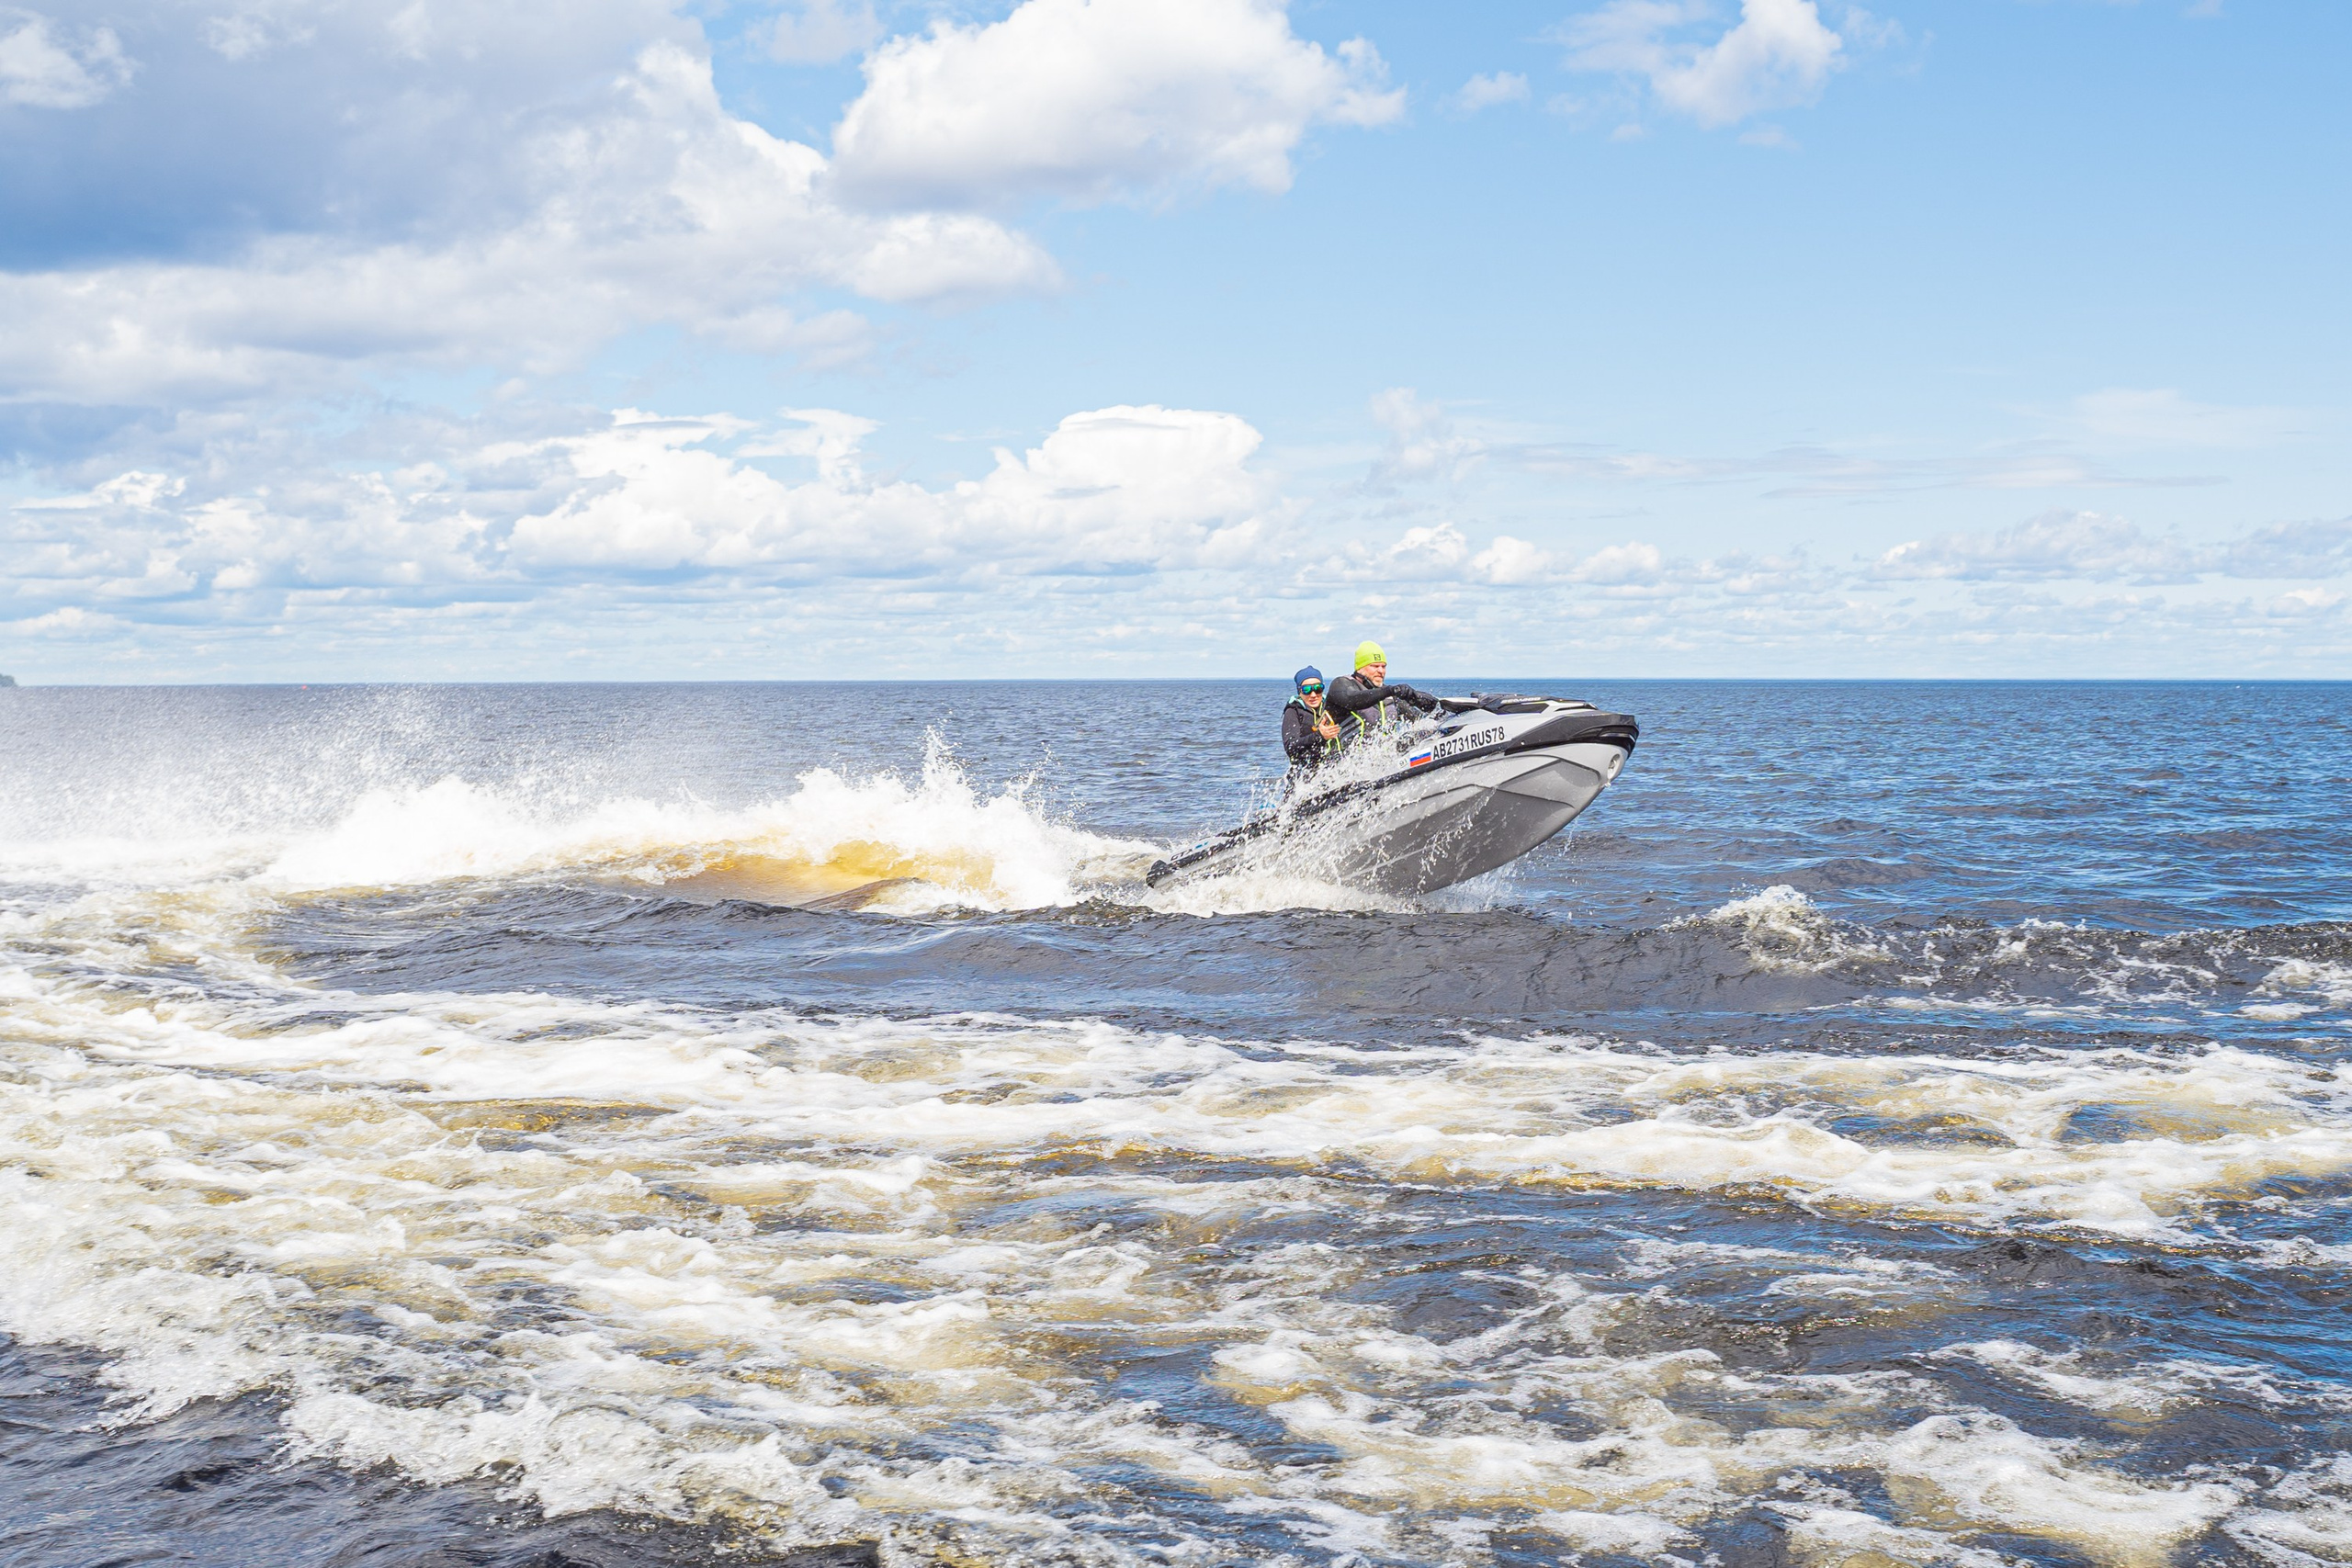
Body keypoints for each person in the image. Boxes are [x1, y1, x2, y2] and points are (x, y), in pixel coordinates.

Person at [1325, 640, 1438, 745]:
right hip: (1341, 763)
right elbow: (1352, 700)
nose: (1381, 671)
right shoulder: (1340, 684)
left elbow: (1418, 719)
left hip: (1381, 763)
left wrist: (1415, 698)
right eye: (1375, 666)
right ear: (1360, 668)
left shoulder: (1389, 697)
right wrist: (1391, 690)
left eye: (1383, 666)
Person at [1281, 666, 1341, 773]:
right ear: (1299, 692)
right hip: (1305, 773)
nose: (1313, 695)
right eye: (1307, 690)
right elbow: (1290, 747)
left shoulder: (1331, 707)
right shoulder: (1293, 712)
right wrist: (1319, 736)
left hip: (1332, 770)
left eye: (1318, 688)